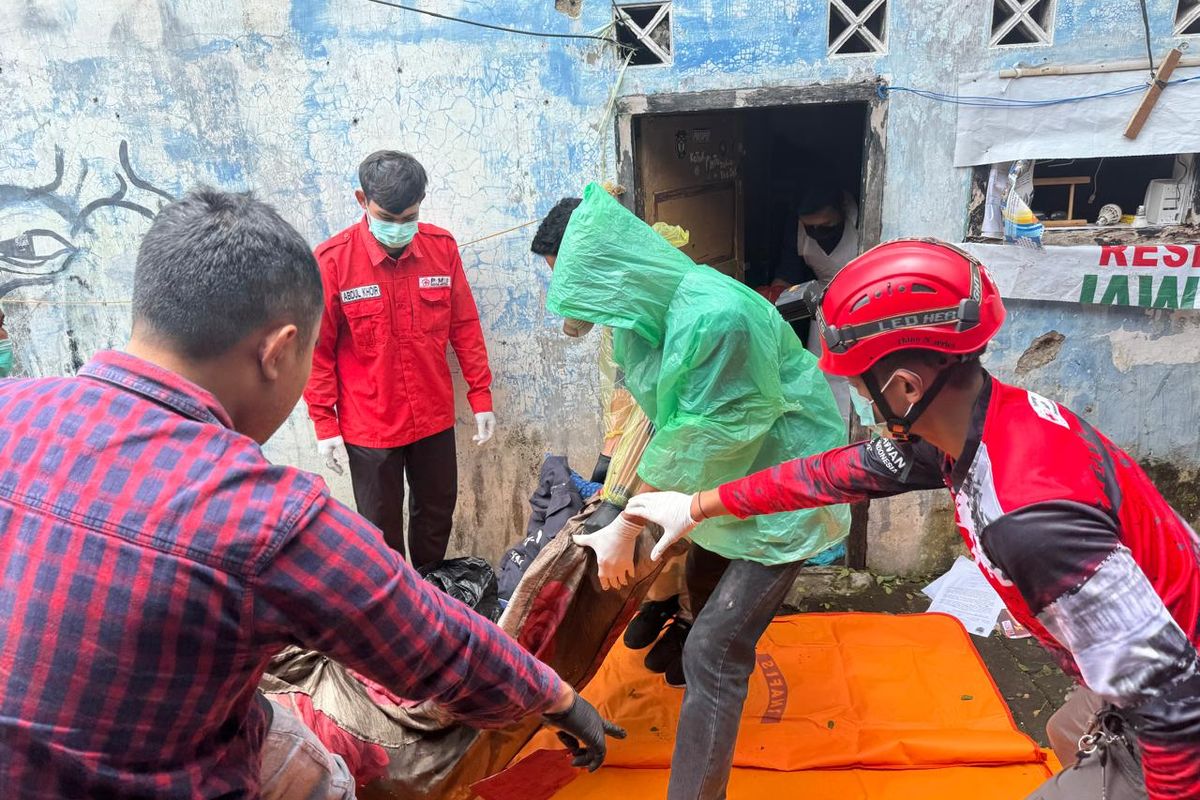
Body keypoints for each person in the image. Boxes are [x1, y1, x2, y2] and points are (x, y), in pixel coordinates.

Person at [0, 188, 622, 799]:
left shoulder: (12, 409)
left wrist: (479, 399)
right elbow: (433, 641)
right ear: (279, 351)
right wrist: (560, 699)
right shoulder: (267, 516)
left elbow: (461, 323)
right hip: (369, 433)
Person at [628, 239, 1200, 800]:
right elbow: (830, 474)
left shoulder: (1030, 521)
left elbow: (1176, 706)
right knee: (1063, 732)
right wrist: (697, 505)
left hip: (1173, 711)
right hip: (1141, 665)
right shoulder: (976, 426)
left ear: (904, 388)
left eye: (856, 384)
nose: (855, 399)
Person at [531, 183, 850, 798]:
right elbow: (653, 417)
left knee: (713, 650)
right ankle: (706, 709)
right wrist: (618, 506)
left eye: (573, 278)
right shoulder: (640, 325)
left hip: (780, 491)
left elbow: (706, 433)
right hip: (714, 495)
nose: (575, 299)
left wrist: (627, 528)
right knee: (701, 600)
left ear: (608, 267)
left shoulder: (717, 314)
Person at [304, 151, 496, 568]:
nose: (398, 228)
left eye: (408, 216)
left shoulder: (441, 249)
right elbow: (316, 349)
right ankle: (397, 608)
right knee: (379, 530)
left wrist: (481, 396)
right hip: (369, 423)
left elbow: (464, 326)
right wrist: (325, 422)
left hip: (432, 416)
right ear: (362, 200)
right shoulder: (332, 261)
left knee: (436, 515)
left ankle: (429, 591)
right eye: (387, 218)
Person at [773, 173, 860, 419]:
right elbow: (786, 275)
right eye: (811, 228)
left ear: (841, 209)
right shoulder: (796, 228)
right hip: (821, 311)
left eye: (826, 226)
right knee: (821, 383)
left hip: (861, 308)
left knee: (856, 388)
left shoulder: (863, 219)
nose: (818, 233)